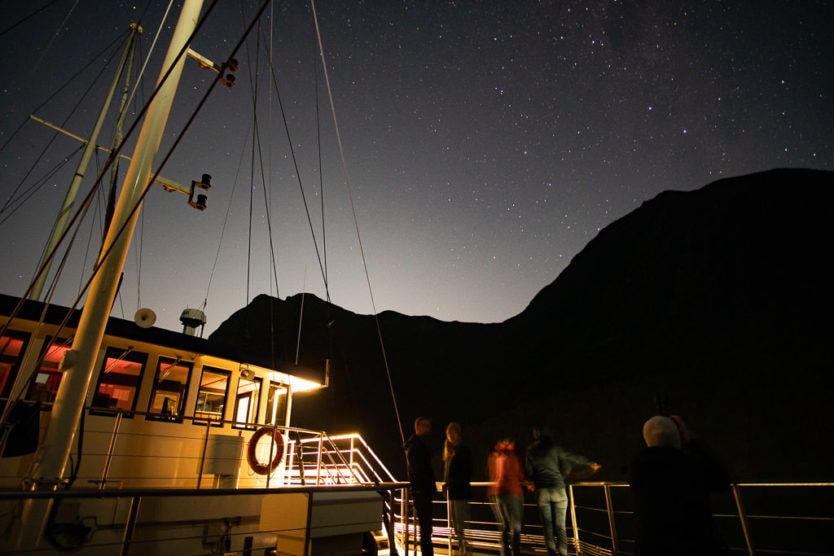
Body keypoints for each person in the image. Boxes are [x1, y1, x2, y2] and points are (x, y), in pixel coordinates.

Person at [628, 415, 730, 556]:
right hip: (697, 547)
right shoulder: (692, 465)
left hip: (650, 548)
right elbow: (722, 481)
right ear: (677, 437)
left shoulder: (637, 467)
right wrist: (691, 440)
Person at [525, 425, 601, 556]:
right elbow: (572, 457)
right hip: (558, 489)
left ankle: (551, 553)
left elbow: (529, 471)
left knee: (548, 528)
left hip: (542, 491)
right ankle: (563, 554)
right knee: (561, 527)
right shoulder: (554, 448)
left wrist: (533, 481)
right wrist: (590, 463)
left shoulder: (530, 450)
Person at [405, 416, 438, 556]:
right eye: (426, 426)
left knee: (425, 528)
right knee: (426, 529)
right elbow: (420, 470)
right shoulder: (417, 447)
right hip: (422, 492)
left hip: (421, 491)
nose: (429, 430)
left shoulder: (415, 445)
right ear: (419, 427)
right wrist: (426, 486)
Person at [488, 438, 525, 556]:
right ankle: (515, 552)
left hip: (499, 493)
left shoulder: (496, 457)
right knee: (516, 527)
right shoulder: (511, 457)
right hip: (513, 492)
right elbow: (519, 475)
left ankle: (504, 552)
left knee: (504, 526)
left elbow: (493, 474)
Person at [443, 422, 473, 555]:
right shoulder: (449, 453)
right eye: (449, 433)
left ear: (458, 434)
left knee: (463, 526)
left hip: (460, 493)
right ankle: (461, 551)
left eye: (453, 432)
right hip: (452, 494)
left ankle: (466, 552)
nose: (451, 436)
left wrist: (453, 483)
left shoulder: (463, 451)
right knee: (456, 527)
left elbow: (466, 471)